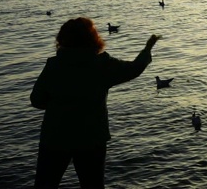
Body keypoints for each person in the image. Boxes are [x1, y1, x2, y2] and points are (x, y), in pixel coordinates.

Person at [30, 17, 161, 189]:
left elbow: (37, 100)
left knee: (45, 185)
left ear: (62, 39)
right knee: (92, 185)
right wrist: (147, 49)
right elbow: (134, 69)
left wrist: (62, 103)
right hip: (91, 138)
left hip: (55, 137)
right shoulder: (102, 65)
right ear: (93, 38)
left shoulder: (54, 65)